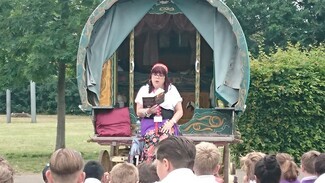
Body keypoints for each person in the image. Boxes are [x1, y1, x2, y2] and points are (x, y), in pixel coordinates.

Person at [135, 63, 183, 162]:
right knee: (153, 138)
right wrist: (148, 111)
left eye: (160, 75)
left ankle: (166, 165)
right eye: (155, 74)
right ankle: (150, 165)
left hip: (166, 123)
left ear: (165, 78)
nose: (157, 77)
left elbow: (180, 111)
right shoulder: (144, 90)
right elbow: (138, 112)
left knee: (165, 139)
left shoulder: (172, 90)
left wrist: (171, 123)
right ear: (151, 76)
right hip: (149, 124)